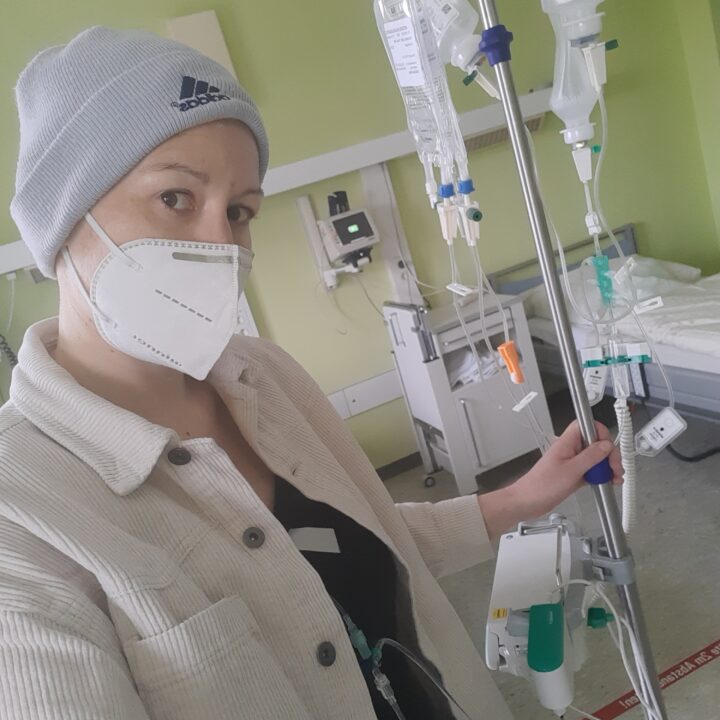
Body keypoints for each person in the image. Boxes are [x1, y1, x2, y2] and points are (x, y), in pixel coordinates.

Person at [0, 26, 622, 720]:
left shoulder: (264, 377)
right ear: (63, 216)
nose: (219, 243)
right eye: (175, 197)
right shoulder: (20, 524)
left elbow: (356, 543)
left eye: (240, 211)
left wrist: (523, 497)